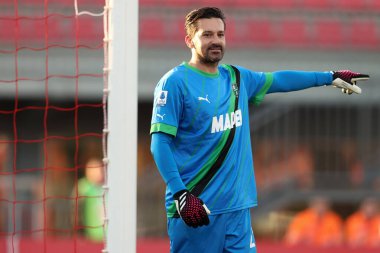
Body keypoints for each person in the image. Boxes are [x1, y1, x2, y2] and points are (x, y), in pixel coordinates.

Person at [149, 7, 369, 252]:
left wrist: (330, 76)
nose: (216, 41)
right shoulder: (174, 82)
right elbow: (159, 144)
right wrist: (181, 194)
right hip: (196, 209)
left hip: (236, 212)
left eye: (220, 34)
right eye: (207, 34)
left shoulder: (237, 78)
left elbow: (280, 80)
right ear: (189, 40)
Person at [76, 157, 105, 241]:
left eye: (99, 169)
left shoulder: (108, 186)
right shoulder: (83, 186)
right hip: (90, 233)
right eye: (93, 169)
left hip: (108, 233)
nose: (97, 172)